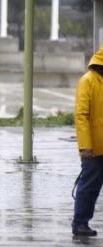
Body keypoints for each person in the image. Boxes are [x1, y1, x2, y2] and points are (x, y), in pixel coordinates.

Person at [73, 47, 103, 236]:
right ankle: (80, 223)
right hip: (93, 148)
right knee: (89, 187)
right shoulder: (88, 81)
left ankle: (81, 223)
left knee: (90, 186)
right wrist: (85, 146)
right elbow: (81, 115)